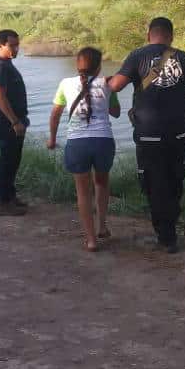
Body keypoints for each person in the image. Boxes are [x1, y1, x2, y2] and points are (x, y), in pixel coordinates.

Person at [107, 17, 185, 254]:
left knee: (153, 181)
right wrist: (182, 95)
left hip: (148, 134)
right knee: (174, 179)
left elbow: (115, 86)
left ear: (148, 34)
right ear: (171, 36)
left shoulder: (136, 56)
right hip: (177, 133)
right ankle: (170, 234)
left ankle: (163, 235)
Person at [47, 47, 121, 252]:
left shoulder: (65, 84)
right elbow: (116, 113)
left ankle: (91, 240)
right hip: (103, 141)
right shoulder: (107, 83)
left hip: (77, 143)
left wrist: (52, 139)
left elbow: (55, 115)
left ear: (76, 65)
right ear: (98, 67)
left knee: (82, 191)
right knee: (101, 182)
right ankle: (103, 226)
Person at [0, 29, 29, 216]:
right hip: (7, 122)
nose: (16, 48)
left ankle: (10, 196)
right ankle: (2, 203)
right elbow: (0, 97)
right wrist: (14, 122)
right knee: (7, 161)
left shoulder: (7, 64)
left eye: (17, 45)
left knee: (14, 160)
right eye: (12, 45)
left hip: (16, 120)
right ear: (0, 45)